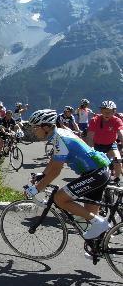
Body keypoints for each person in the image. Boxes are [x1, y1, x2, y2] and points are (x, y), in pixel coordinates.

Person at [25, 109, 112, 242]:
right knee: (89, 216)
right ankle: (100, 245)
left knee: (59, 198)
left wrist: (36, 189)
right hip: (98, 172)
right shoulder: (59, 134)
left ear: (46, 127)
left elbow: (56, 171)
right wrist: (42, 175)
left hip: (95, 174)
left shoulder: (61, 139)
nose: (33, 130)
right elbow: (54, 160)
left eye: (35, 127)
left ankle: (101, 225)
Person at [86, 100, 123, 181]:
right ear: (101, 111)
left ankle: (117, 179)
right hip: (97, 145)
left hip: (110, 145)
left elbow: (121, 133)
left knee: (118, 160)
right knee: (95, 163)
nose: (107, 114)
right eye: (105, 111)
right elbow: (90, 136)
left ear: (114, 112)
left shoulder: (117, 120)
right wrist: (91, 148)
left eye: (109, 112)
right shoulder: (95, 120)